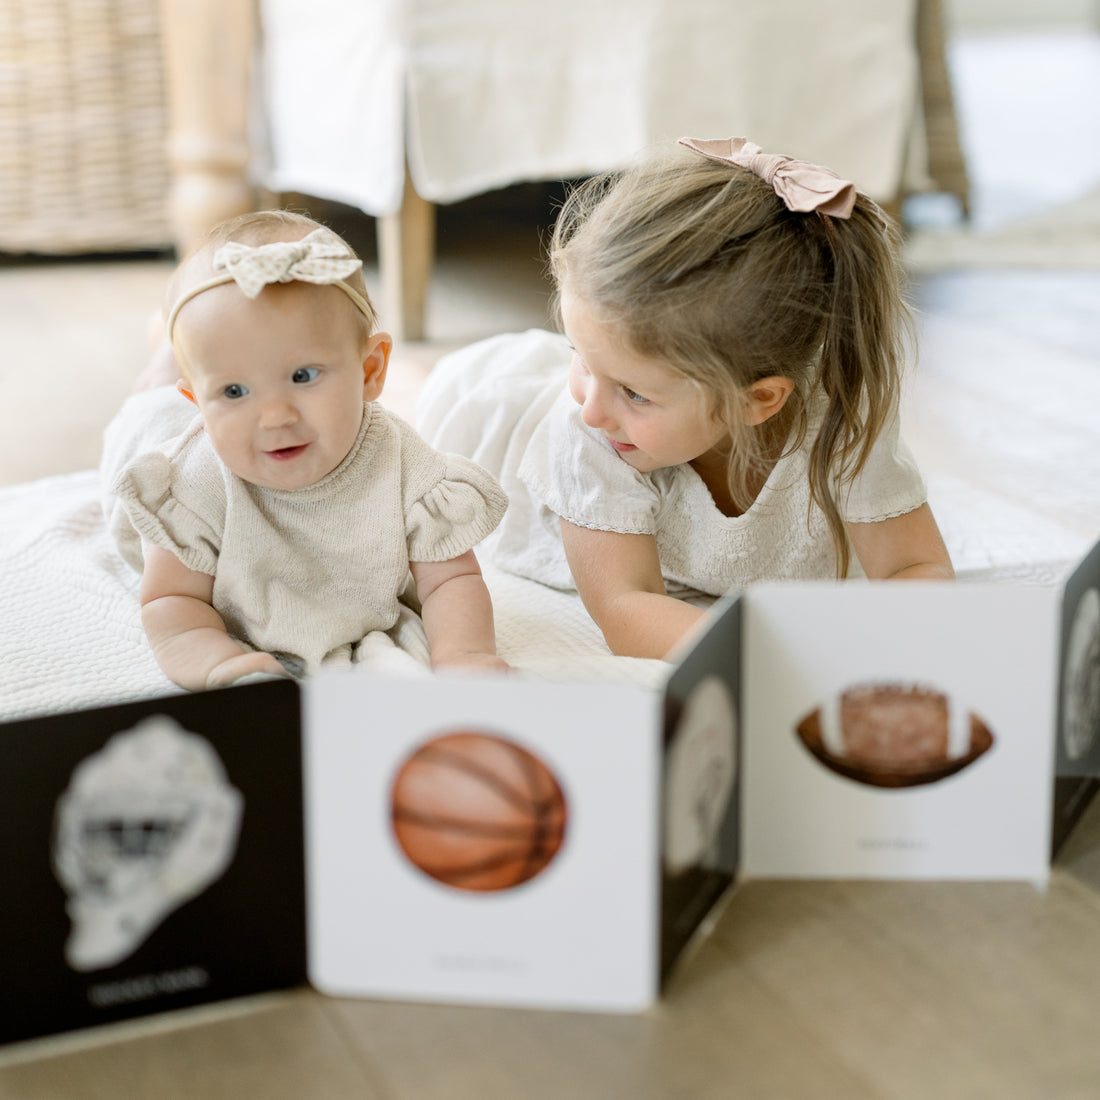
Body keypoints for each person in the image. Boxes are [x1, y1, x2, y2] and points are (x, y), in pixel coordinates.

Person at [418, 136, 954, 661]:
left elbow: (915, 569)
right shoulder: (592, 430)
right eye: (582, 359)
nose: (594, 407)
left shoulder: (839, 422)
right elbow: (628, 609)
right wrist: (796, 660)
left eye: (634, 394)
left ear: (759, 401)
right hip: (494, 411)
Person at [102, 210, 509, 691]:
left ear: (371, 370)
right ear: (198, 402)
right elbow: (172, 602)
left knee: (208, 361)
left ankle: (184, 354)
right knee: (150, 400)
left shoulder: (401, 461)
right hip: (155, 426)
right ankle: (164, 360)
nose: (275, 417)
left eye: (303, 376)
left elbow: (449, 581)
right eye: (234, 391)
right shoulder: (188, 482)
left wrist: (465, 653)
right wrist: (217, 663)